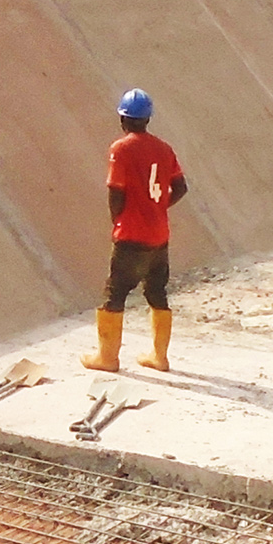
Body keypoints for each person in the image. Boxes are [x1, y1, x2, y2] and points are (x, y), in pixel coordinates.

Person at [86, 89, 189, 375]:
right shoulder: (164, 148)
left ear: (123, 118)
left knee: (114, 293)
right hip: (159, 234)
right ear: (148, 118)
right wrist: (157, 207)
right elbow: (181, 187)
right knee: (157, 292)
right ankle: (160, 357)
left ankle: (107, 357)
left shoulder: (121, 149)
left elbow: (116, 192)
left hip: (131, 234)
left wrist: (117, 221)